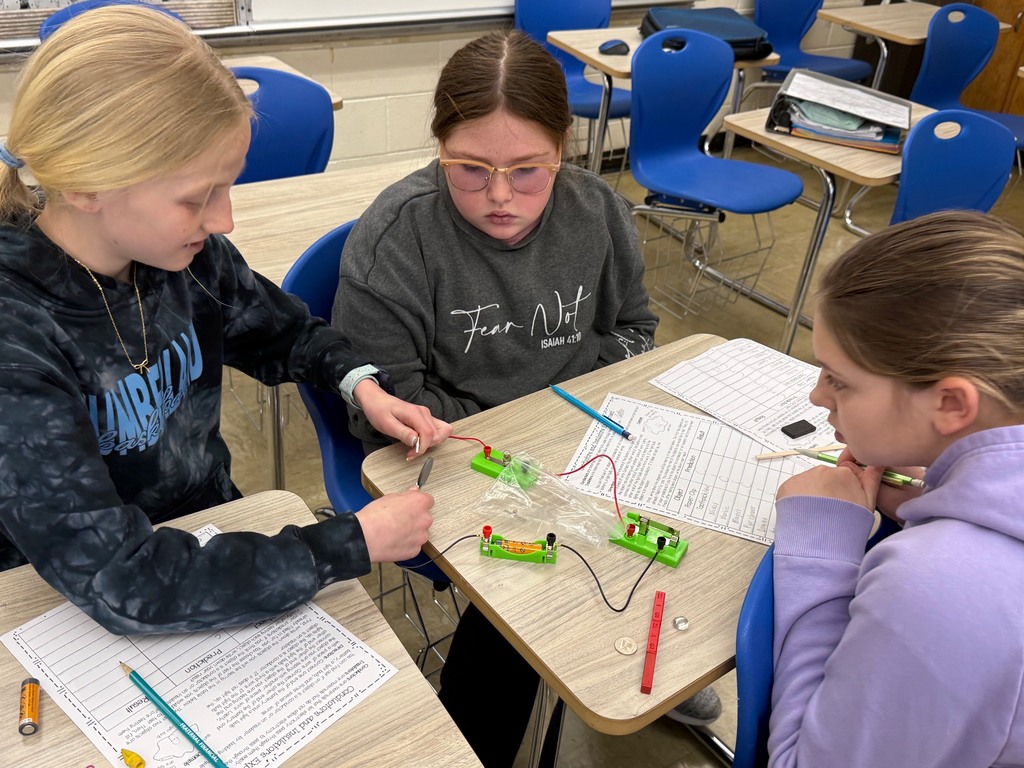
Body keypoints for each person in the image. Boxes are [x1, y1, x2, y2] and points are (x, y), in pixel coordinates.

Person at [331, 29, 717, 767]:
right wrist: (529, 439)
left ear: (564, 148)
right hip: (458, 457)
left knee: (676, 526)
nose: (501, 196)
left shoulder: (597, 211)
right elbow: (390, 406)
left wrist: (577, 412)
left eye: (528, 171)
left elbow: (635, 328)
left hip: (582, 430)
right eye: (470, 170)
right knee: (528, 586)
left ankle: (641, 658)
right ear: (439, 148)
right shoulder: (399, 237)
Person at [0, 5, 451, 634]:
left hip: (206, 533)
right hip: (54, 599)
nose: (224, 220)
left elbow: (287, 333)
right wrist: (347, 543)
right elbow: (120, 579)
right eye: (196, 198)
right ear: (86, 186)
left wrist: (361, 385)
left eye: (227, 187)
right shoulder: (17, 335)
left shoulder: (183, 255)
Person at [768, 210, 1024, 768]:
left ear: (950, 403)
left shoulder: (935, 587)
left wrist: (822, 550)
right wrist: (944, 488)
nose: (817, 396)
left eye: (839, 380)